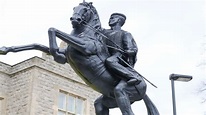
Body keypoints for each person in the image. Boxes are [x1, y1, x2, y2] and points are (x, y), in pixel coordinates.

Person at [102, 13, 141, 85]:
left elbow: (132, 48)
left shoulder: (125, 34)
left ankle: (132, 76)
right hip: (104, 53)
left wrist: (130, 51)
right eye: (110, 18)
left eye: (113, 18)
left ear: (119, 20)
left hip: (119, 56)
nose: (110, 20)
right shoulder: (103, 32)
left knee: (110, 61)